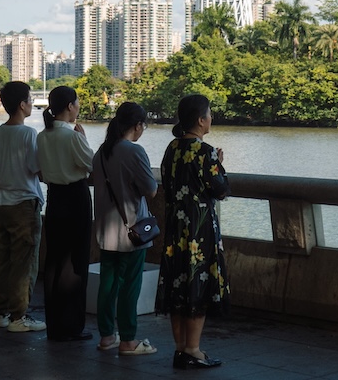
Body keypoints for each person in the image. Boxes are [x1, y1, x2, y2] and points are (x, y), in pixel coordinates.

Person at [155, 94, 229, 370]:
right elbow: (220, 189)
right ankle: (194, 349)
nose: (211, 118)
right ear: (200, 120)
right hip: (199, 228)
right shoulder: (205, 151)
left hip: (176, 228)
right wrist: (219, 164)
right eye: (209, 114)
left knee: (178, 285)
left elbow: (167, 183)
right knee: (198, 283)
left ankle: (180, 349)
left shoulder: (171, 148)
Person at [92, 102, 158, 356]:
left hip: (106, 231)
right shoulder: (134, 151)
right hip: (132, 233)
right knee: (130, 285)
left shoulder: (102, 152)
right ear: (137, 125)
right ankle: (128, 340)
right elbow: (151, 189)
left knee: (108, 285)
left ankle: (107, 336)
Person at [37, 85, 94, 341]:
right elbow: (91, 164)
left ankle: (54, 324)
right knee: (75, 260)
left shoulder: (43, 136)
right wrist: (84, 140)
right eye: (77, 102)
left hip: (55, 198)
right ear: (70, 106)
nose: (78, 107)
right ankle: (71, 325)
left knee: (54, 260)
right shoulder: (72, 136)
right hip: (75, 197)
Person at [0, 81, 45, 333]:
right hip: (23, 204)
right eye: (30, 100)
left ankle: (2, 312)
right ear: (22, 105)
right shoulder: (28, 134)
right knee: (24, 263)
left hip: (0, 203)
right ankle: (19, 316)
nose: (32, 103)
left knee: (2, 260)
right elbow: (36, 168)